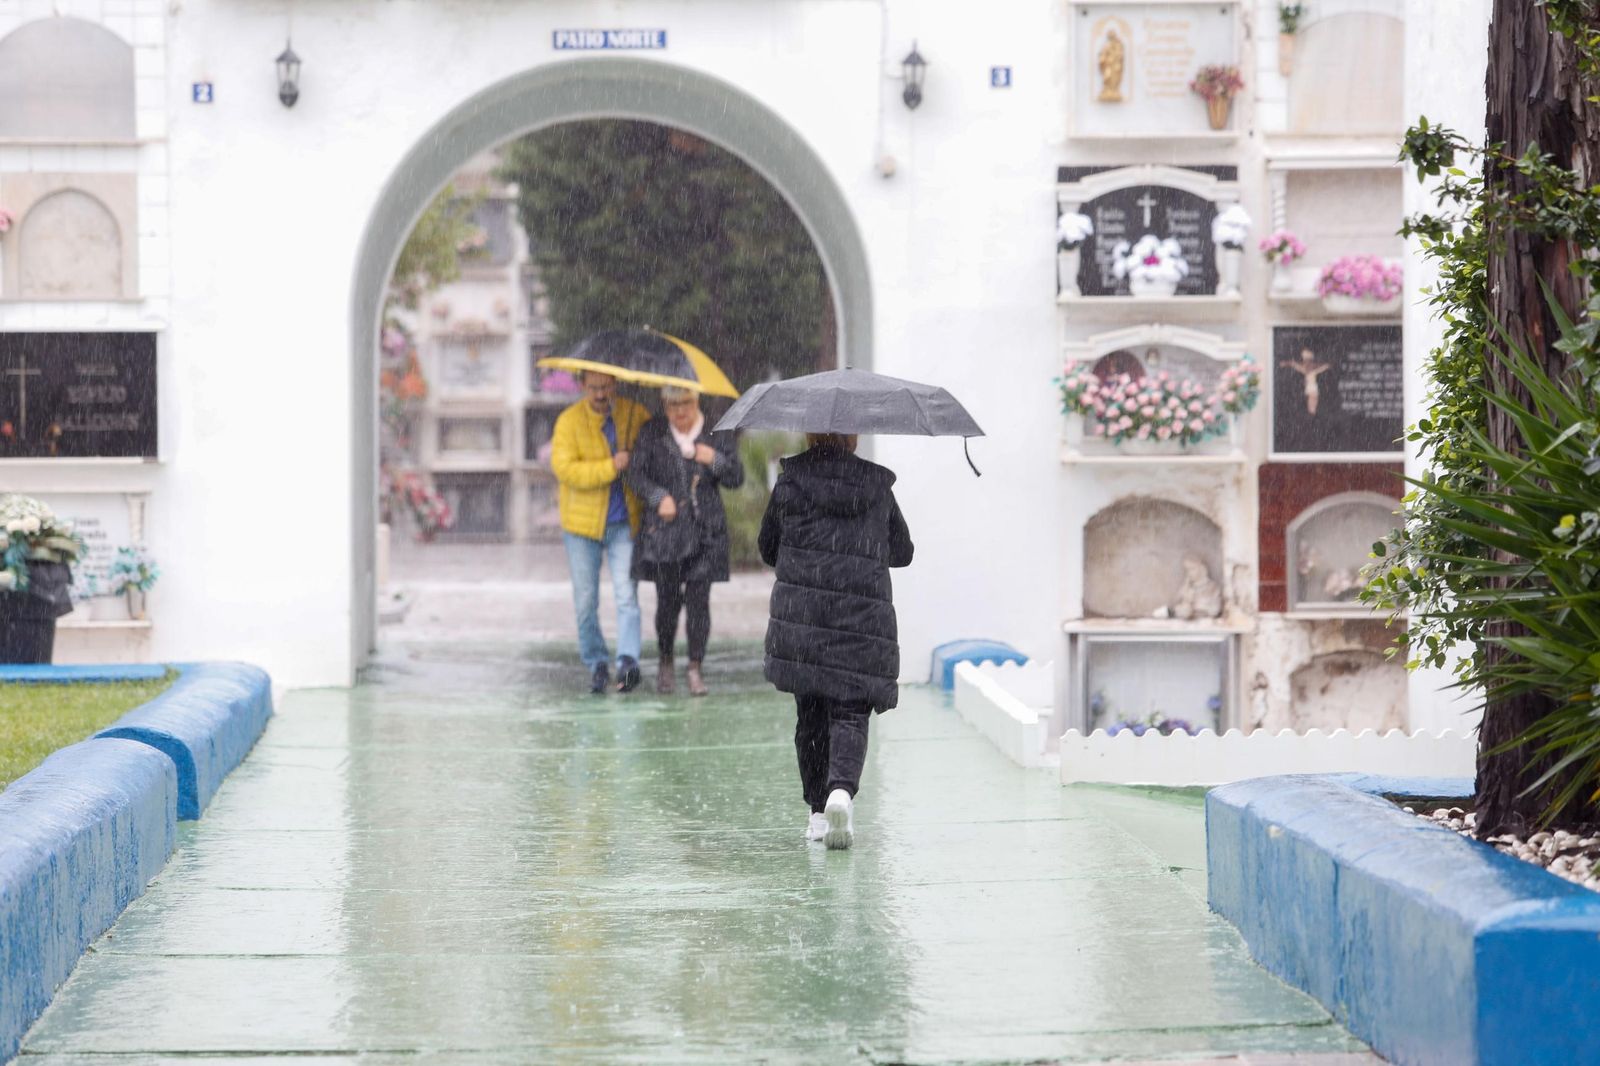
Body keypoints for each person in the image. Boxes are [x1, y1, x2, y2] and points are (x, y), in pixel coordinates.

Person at [757, 433, 913, 850]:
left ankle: (816, 815)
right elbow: (902, 551)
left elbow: (767, 547)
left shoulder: (791, 483)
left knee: (810, 716)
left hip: (804, 619)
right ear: (853, 437)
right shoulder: (876, 486)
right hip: (860, 619)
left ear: (810, 435)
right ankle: (841, 791)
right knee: (850, 712)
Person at [625, 385, 745, 696]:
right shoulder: (652, 432)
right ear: (664, 405)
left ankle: (695, 666)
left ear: (697, 401)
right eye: (673, 405)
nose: (680, 412)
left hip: (705, 532)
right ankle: (666, 661)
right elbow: (635, 474)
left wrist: (712, 458)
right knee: (667, 602)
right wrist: (657, 496)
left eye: (686, 404)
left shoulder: (717, 431)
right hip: (665, 533)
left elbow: (735, 477)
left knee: (698, 602)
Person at [550, 370, 646, 694]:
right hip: (581, 526)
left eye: (606, 386)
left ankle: (628, 661)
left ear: (615, 385)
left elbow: (650, 450)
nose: (600, 393)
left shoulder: (634, 414)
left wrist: (635, 457)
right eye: (593, 387)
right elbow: (565, 469)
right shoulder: (568, 422)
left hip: (623, 523)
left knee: (626, 594)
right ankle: (596, 663)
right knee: (586, 600)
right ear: (582, 386)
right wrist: (611, 466)